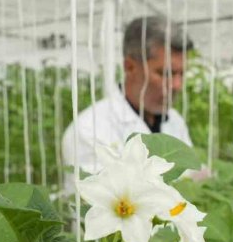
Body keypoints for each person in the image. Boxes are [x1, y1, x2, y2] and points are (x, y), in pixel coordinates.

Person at [62, 15, 193, 181]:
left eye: (182, 74)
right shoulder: (89, 129)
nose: (177, 85)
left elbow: (193, 182)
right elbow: (100, 201)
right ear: (130, 67)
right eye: (166, 74)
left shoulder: (175, 121)